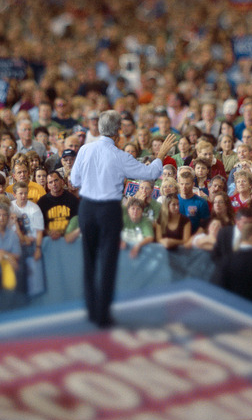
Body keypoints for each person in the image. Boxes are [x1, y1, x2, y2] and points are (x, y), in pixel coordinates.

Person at [69, 111, 177, 328]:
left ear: (99, 128)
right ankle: (102, 316)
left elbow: (74, 180)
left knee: (89, 261)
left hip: (88, 207)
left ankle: (91, 311)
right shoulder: (120, 156)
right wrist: (161, 155)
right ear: (118, 132)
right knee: (108, 262)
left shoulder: (84, 150)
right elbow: (148, 174)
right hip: (109, 210)